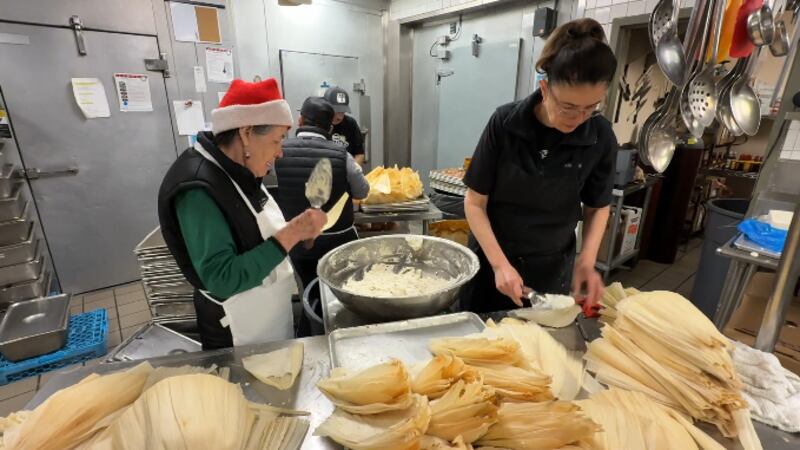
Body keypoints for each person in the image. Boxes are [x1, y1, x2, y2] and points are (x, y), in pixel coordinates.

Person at [462, 18, 618, 313]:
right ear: (545, 89)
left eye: (590, 108)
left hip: (551, 269)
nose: (579, 118)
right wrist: (500, 265)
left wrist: (587, 260)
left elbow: (598, 206)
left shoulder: (600, 136)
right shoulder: (505, 124)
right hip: (493, 264)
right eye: (568, 107)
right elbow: (474, 202)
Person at [158, 78, 326, 350]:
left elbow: (253, 233)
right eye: (276, 140)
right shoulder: (198, 188)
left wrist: (300, 230)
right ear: (246, 133)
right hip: (237, 331)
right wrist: (293, 232)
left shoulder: (238, 169)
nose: (280, 153)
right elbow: (222, 277)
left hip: (266, 319)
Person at [273, 96, 369, 291]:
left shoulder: (277, 151)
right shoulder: (342, 155)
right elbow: (362, 191)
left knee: (310, 288)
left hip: (298, 241)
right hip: (338, 240)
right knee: (342, 289)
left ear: (300, 121)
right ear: (330, 128)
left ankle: (313, 307)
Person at [323, 86, 366, 165]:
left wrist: (352, 170)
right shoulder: (319, 123)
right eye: (337, 111)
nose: (340, 117)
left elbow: (359, 154)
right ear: (327, 108)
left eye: (343, 111)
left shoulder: (351, 123)